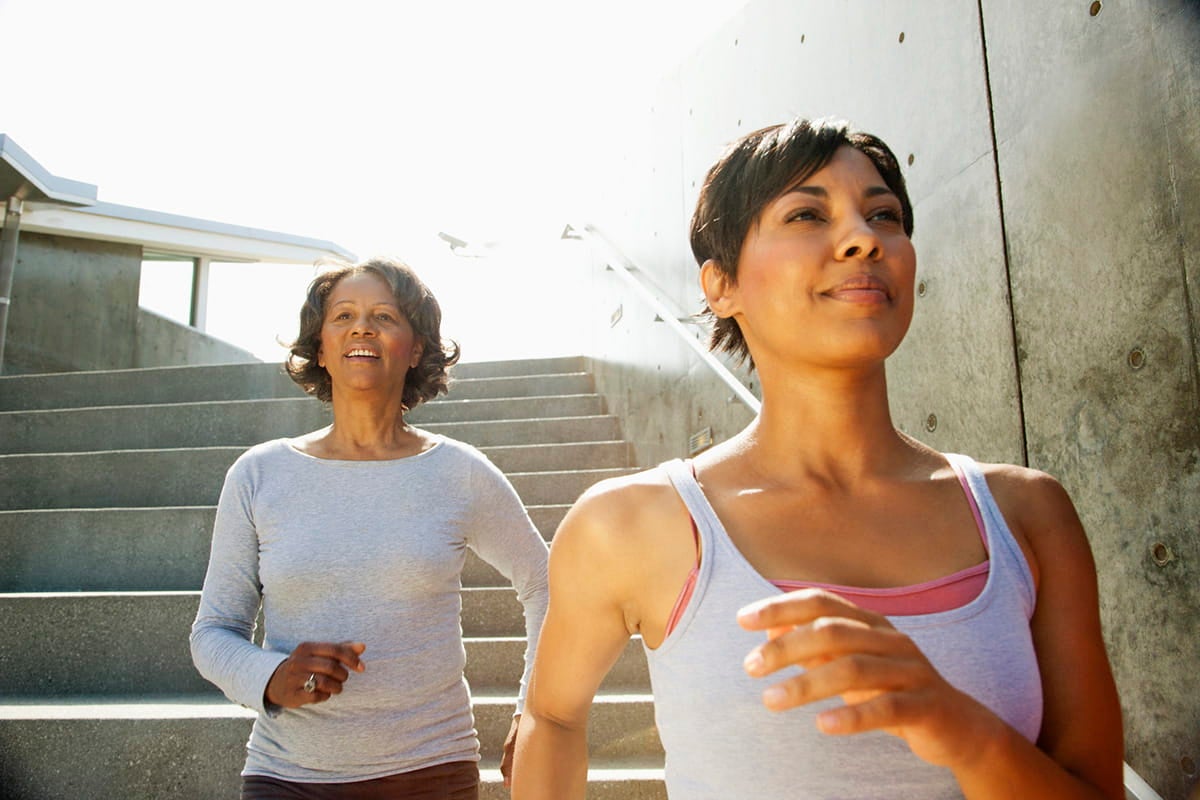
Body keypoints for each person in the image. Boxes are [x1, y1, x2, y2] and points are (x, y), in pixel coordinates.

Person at [512, 118, 1123, 799]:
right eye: (807, 213)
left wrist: (963, 730)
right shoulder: (628, 524)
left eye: (884, 215)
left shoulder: (1028, 513)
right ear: (721, 286)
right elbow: (552, 715)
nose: (863, 238)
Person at [191, 257, 549, 799]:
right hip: (287, 778)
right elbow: (213, 631)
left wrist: (535, 712)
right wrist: (270, 676)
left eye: (384, 315)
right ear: (320, 348)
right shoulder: (258, 475)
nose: (362, 327)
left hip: (431, 773)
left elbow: (545, 585)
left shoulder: (461, 473)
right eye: (344, 316)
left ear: (417, 349)